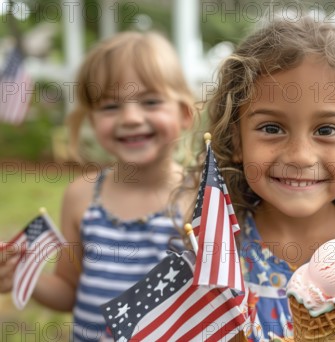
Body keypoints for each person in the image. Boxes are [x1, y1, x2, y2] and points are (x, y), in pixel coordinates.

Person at [201, 16, 335, 341]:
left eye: (326, 130)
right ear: (237, 142)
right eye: (271, 128)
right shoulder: (218, 251)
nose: (299, 155)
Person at [0, 31, 196, 341]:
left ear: (185, 113)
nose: (131, 118)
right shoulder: (81, 197)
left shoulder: (199, 198)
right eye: (110, 107)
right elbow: (68, 291)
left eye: (150, 101)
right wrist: (25, 275)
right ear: (91, 120)